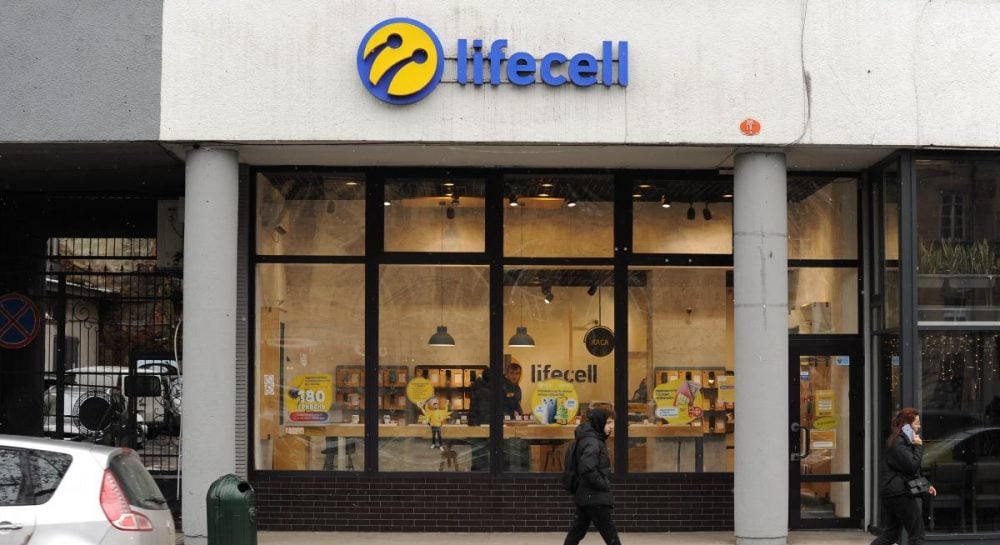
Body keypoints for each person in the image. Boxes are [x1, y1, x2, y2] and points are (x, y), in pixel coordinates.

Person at [870, 407, 937, 545]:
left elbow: (907, 471)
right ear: (907, 425)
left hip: (894, 492)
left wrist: (925, 486)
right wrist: (918, 446)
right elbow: (912, 466)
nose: (919, 427)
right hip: (899, 493)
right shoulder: (898, 442)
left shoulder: (902, 441)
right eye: (916, 423)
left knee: (891, 534)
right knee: (917, 534)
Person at [564, 406, 621, 545]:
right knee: (610, 534)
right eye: (608, 422)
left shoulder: (590, 439)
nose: (612, 426)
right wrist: (603, 484)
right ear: (599, 422)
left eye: (613, 422)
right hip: (595, 496)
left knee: (576, 532)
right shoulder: (593, 441)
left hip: (586, 495)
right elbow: (587, 467)